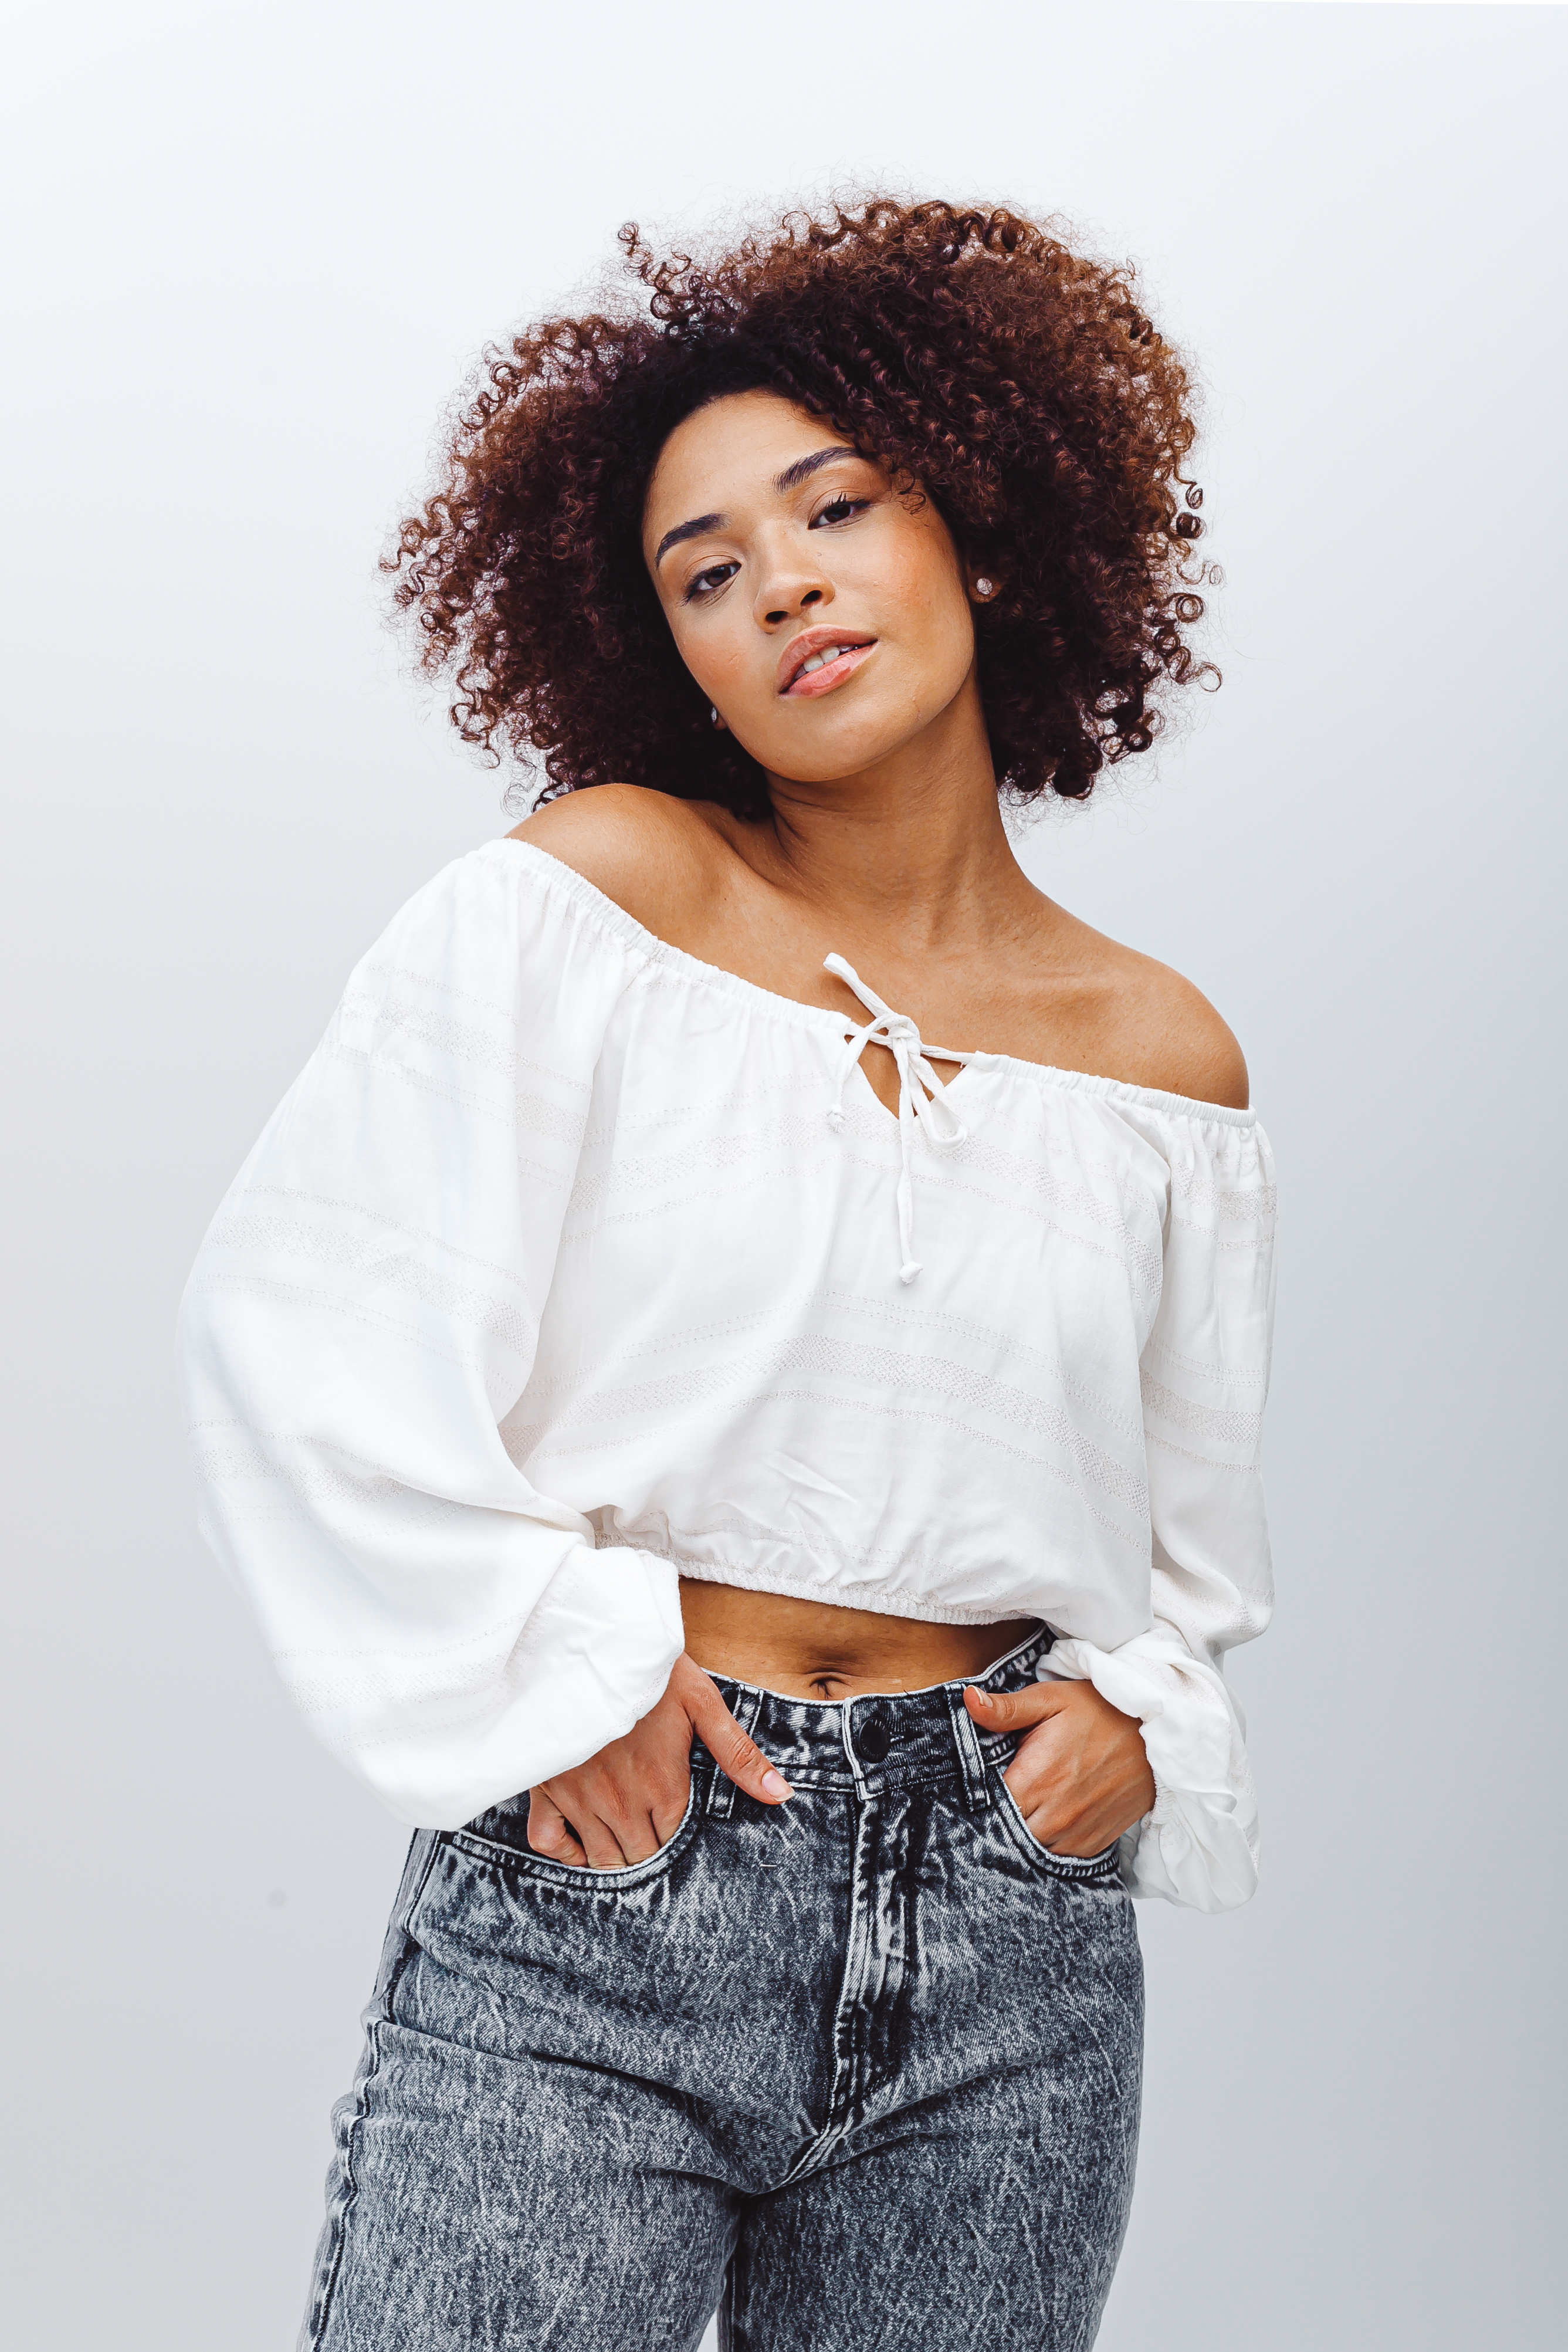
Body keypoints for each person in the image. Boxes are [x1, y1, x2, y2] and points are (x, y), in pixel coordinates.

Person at [178, 199, 1276, 2351]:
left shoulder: (1162, 1059)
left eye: (835, 507)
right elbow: (299, 1319)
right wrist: (552, 1669)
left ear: (979, 532)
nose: (780, 581)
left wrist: (1139, 1724)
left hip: (1011, 1947)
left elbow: (1184, 1544)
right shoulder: (598, 898)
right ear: (667, 653)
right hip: (618, 1875)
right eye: (705, 571)